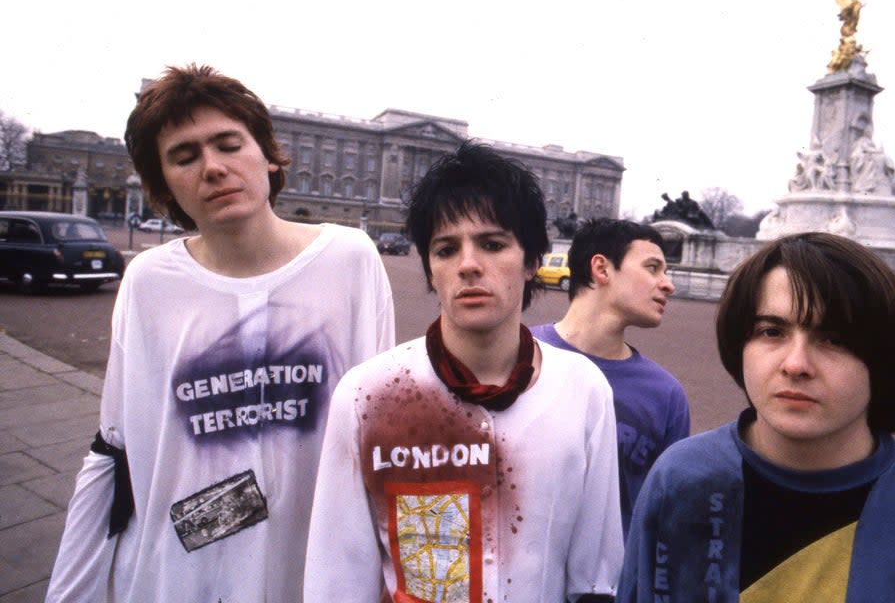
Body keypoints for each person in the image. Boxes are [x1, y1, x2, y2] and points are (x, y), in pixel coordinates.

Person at [46, 64, 395, 602]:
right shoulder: (148, 282)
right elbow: (115, 447)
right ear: (163, 183)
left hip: (312, 569)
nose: (213, 168)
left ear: (269, 155)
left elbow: (378, 430)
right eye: (185, 157)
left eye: (228, 145)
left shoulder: (350, 259)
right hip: (186, 574)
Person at [618, 232, 895, 602]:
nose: (795, 365)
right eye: (771, 332)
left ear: (885, 360)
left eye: (833, 339)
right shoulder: (678, 478)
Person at [304, 142, 623, 602]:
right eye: (447, 249)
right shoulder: (365, 396)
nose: (469, 265)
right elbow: (337, 579)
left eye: (493, 244)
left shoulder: (585, 388)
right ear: (432, 271)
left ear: (533, 262)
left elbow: (595, 577)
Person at [531, 218, 690, 537]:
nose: (667, 284)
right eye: (653, 268)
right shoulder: (518, 356)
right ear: (601, 269)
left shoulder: (666, 395)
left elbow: (668, 518)